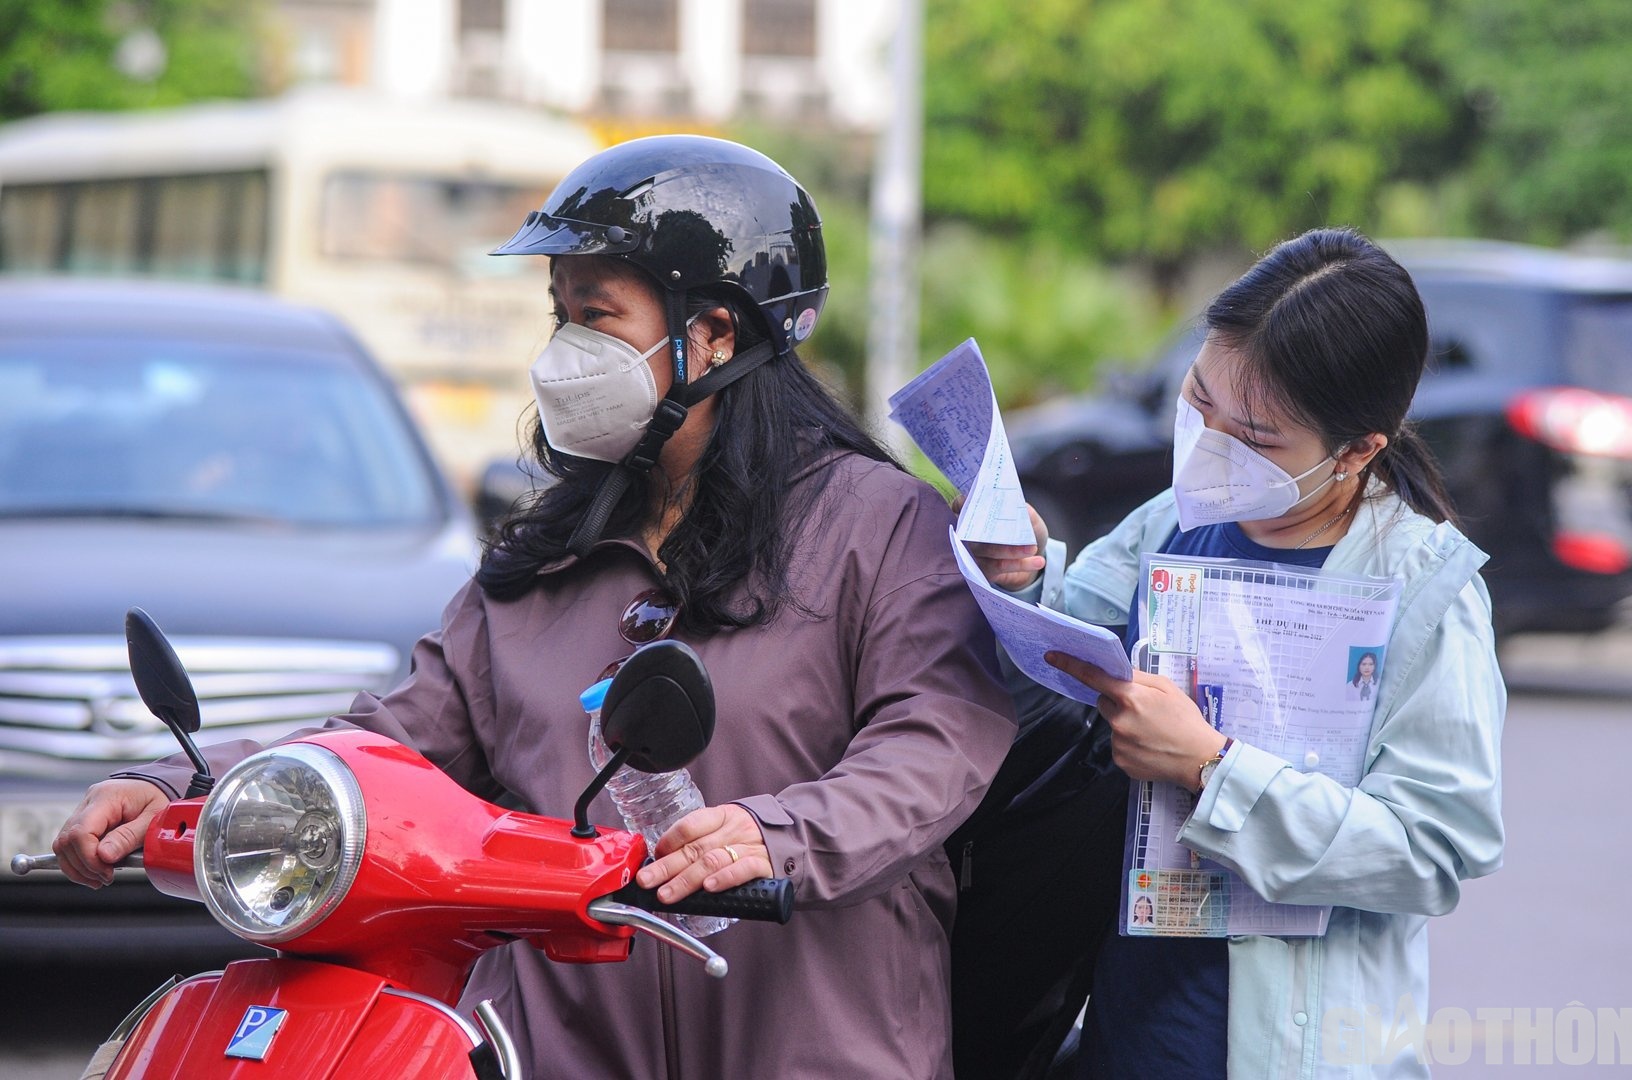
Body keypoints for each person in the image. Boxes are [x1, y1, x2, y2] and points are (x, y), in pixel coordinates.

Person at [53, 135, 1017, 1079]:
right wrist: (191, 786)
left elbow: (935, 742)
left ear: (715, 333)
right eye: (559, 317)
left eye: (596, 318)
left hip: (809, 1037)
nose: (563, 353)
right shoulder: (541, 557)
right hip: (552, 1042)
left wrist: (779, 835)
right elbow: (398, 744)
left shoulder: (882, 525)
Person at [967, 227, 1506, 1078]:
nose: (1211, 446)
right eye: (1198, 402)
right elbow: (1066, 647)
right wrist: (1026, 582)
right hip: (1128, 1035)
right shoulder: (1174, 523)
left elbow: (1437, 847)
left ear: (1359, 449)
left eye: (1254, 437)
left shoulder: (1424, 590)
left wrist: (1213, 771)